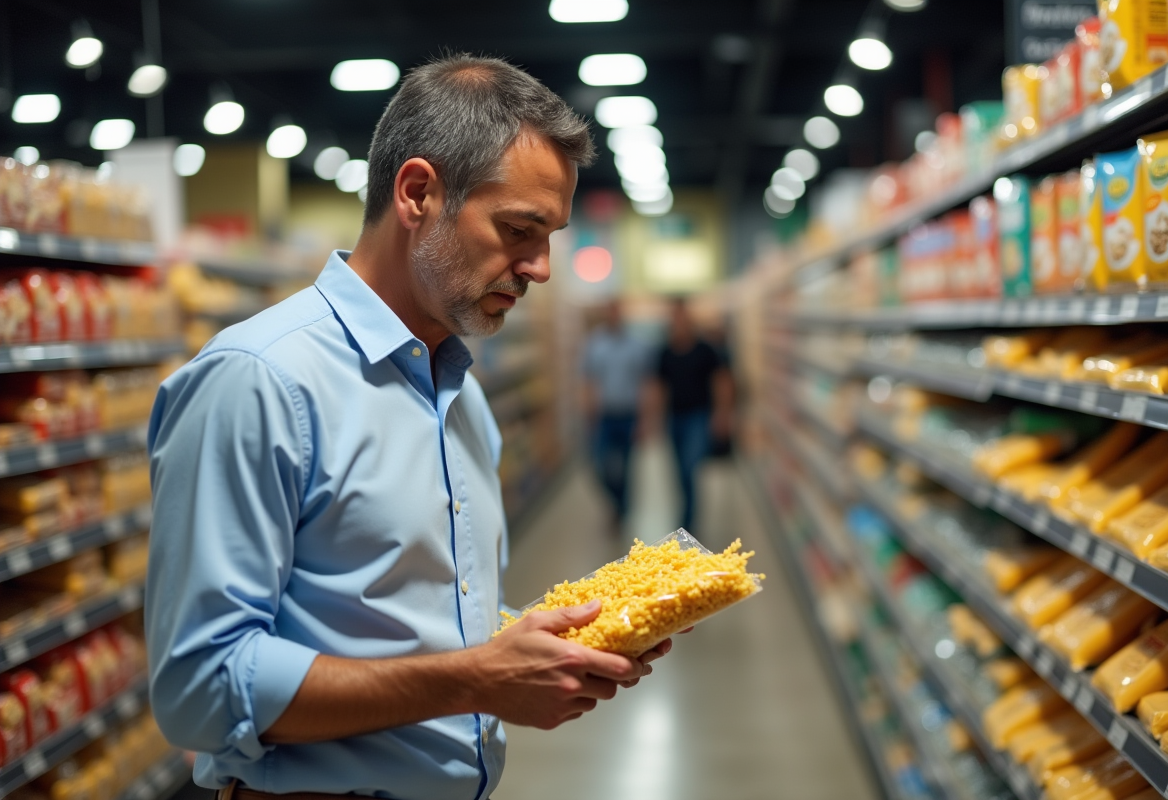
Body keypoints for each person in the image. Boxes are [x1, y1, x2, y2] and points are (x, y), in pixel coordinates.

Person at [145, 55, 679, 800]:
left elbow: (421, 621)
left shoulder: (460, 391)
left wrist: (548, 651)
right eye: (519, 230)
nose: (542, 268)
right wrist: (476, 680)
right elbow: (198, 689)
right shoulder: (259, 381)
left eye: (549, 235)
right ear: (418, 193)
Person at [652, 298, 734, 532]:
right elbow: (658, 387)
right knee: (679, 470)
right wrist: (654, 419)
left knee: (690, 466)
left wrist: (722, 414)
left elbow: (722, 381)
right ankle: (686, 513)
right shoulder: (665, 352)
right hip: (674, 418)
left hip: (698, 417)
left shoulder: (705, 350)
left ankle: (688, 521)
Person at [581, 298, 649, 532]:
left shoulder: (636, 345)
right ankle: (617, 504)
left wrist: (644, 419)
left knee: (626, 468)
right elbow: (588, 380)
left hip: (629, 415)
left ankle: (622, 510)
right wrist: (589, 411)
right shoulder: (595, 344)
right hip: (604, 416)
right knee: (600, 465)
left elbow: (644, 383)